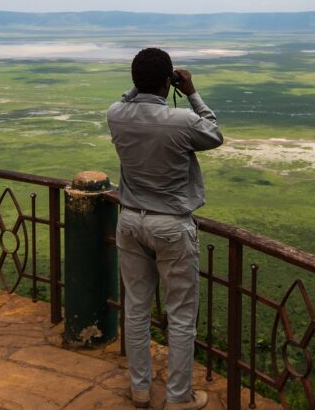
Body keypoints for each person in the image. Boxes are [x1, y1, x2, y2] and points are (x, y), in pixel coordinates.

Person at [107, 47, 224, 410]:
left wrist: (140, 88)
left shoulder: (116, 115)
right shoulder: (182, 121)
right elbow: (214, 132)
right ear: (167, 80)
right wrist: (190, 91)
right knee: (181, 315)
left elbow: (127, 100)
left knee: (136, 308)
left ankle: (140, 389)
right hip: (171, 225)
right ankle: (178, 397)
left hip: (129, 220)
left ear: (133, 80)